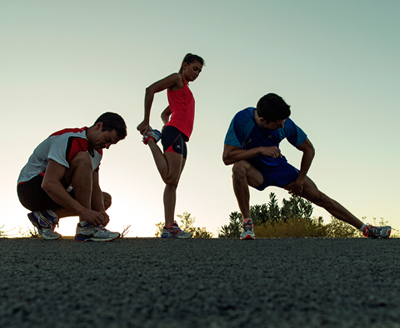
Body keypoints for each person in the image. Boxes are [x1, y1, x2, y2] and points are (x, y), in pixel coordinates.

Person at [223, 93, 391, 240]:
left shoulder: (285, 124)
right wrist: (260, 150)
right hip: (255, 172)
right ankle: (247, 224)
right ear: (262, 120)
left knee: (319, 197)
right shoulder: (242, 120)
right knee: (238, 167)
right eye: (278, 124)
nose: (282, 126)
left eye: (283, 122)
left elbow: (309, 149)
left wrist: (300, 181)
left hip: (278, 168)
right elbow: (227, 157)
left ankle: (366, 229)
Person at [17, 112, 127, 241]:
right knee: (83, 158)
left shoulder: (97, 152)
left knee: (105, 199)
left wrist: (101, 213)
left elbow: (94, 186)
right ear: (98, 126)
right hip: (31, 188)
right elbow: (49, 184)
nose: (107, 146)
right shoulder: (68, 139)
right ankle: (86, 227)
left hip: (58, 188)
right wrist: (84, 212)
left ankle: (46, 217)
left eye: (111, 144)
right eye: (107, 140)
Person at [137, 53, 205, 239]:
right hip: (174, 133)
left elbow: (165, 113)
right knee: (169, 178)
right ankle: (151, 139)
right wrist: (146, 120)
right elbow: (150, 89)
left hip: (181, 137)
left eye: (199, 71)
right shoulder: (177, 79)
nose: (196, 73)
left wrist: (166, 122)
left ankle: (169, 226)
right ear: (185, 65)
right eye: (194, 68)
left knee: (173, 184)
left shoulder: (185, 90)